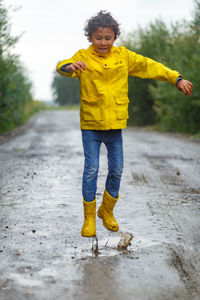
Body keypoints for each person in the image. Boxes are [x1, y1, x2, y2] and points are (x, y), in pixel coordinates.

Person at [56, 11, 193, 238]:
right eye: (98, 38)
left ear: (115, 37)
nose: (103, 42)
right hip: (91, 124)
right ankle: (89, 217)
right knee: (91, 170)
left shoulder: (124, 57)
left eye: (108, 38)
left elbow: (150, 66)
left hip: (115, 125)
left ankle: (106, 211)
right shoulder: (83, 56)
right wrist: (69, 67)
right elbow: (63, 66)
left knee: (117, 169)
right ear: (90, 37)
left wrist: (175, 78)